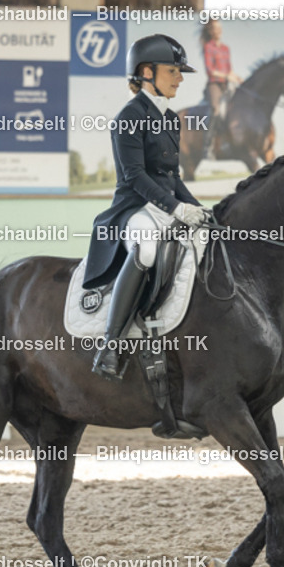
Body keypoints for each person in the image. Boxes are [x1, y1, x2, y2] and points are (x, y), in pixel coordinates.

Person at [82, 34, 209, 379]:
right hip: (134, 209)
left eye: (180, 72)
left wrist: (199, 209)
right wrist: (176, 209)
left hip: (164, 206)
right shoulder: (129, 117)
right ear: (147, 72)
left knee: (205, 242)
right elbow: (135, 176)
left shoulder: (170, 120)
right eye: (173, 71)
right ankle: (110, 346)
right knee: (147, 248)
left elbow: (172, 177)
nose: (180, 79)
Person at [200, 20, 241, 159]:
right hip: (214, 84)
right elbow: (210, 71)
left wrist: (238, 78)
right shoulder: (208, 47)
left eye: (220, 28)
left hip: (227, 84)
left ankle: (230, 142)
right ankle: (208, 146)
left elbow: (230, 70)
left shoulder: (225, 48)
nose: (219, 30)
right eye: (216, 28)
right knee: (216, 110)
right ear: (211, 31)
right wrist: (226, 76)